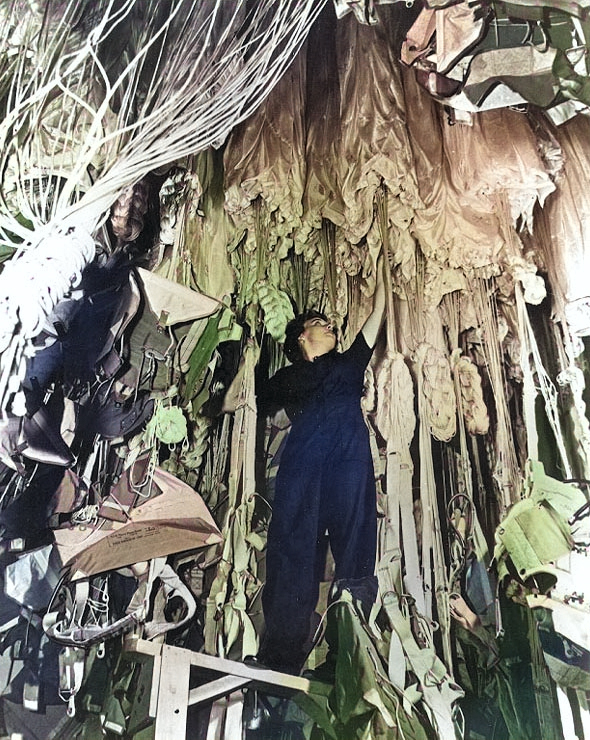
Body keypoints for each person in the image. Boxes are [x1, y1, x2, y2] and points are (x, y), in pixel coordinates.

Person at [253, 258, 386, 674]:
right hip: (305, 465)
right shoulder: (289, 376)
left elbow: (376, 319)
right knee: (293, 550)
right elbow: (249, 399)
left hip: (349, 462)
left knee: (356, 551)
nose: (330, 325)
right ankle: (280, 656)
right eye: (319, 322)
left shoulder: (348, 364)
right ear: (300, 339)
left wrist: (380, 272)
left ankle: (345, 657)